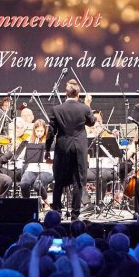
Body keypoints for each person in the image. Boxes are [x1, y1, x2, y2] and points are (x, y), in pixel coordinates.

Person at [46, 79, 95, 219]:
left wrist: (47, 150)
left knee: (59, 181)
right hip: (79, 148)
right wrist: (88, 105)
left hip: (62, 147)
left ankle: (57, 212)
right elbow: (91, 122)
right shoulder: (84, 108)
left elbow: (51, 132)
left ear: (65, 94)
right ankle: (75, 214)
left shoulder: (57, 109)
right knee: (78, 181)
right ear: (78, 94)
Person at [19, 120, 55, 202]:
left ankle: (47, 203)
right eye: (37, 131)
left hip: (46, 170)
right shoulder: (30, 140)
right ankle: (27, 205)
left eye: (41, 131)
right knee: (24, 184)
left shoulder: (49, 141)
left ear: (45, 130)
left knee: (37, 185)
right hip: (32, 169)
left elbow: (54, 158)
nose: (39, 133)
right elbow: (21, 156)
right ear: (34, 130)